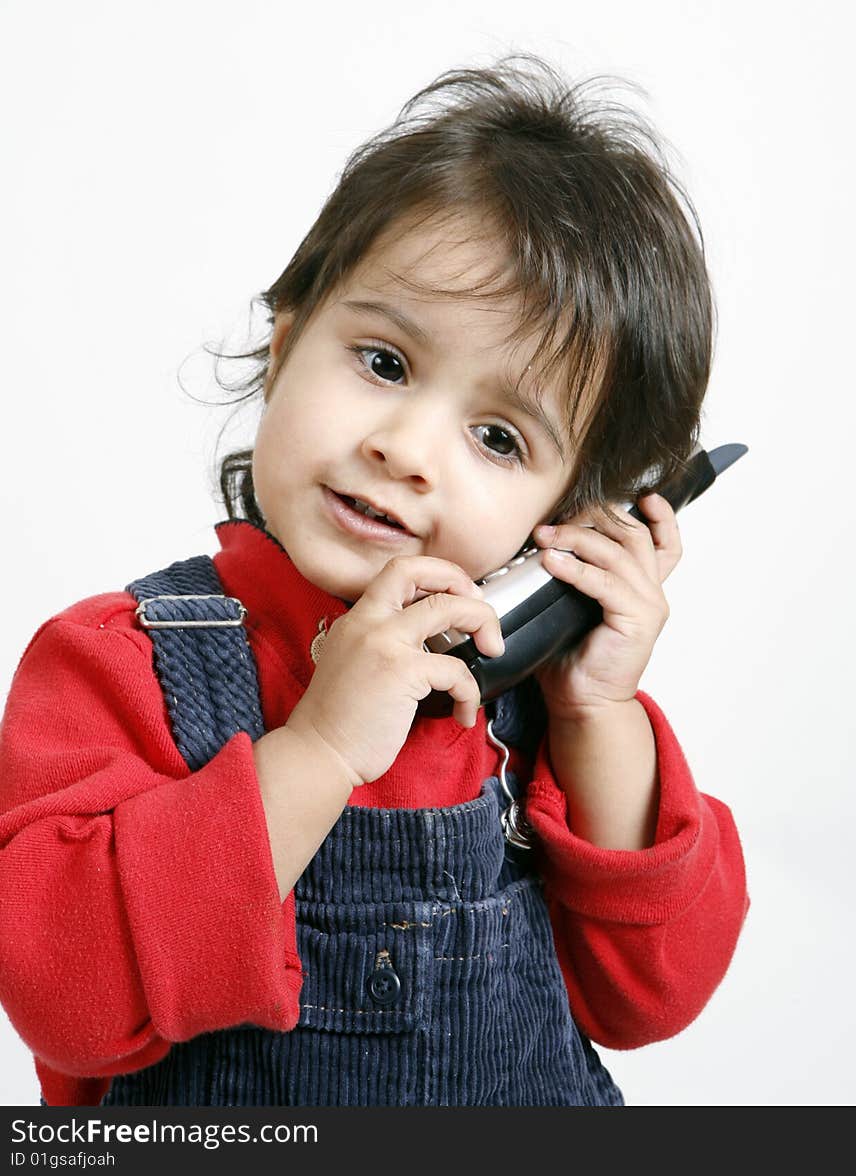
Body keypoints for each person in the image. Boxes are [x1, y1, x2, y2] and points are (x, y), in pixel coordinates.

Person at [0, 55, 748, 1107]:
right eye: (385, 363)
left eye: (496, 436)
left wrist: (598, 711)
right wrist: (319, 749)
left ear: (565, 514)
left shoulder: (540, 702)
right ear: (291, 337)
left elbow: (654, 1000)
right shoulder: (117, 664)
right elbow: (60, 999)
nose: (407, 448)